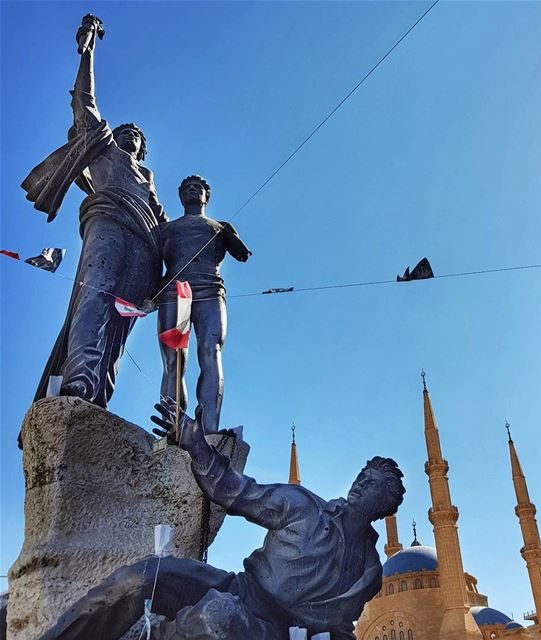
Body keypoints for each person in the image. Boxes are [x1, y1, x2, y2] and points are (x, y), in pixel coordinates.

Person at [39, 403, 405, 640]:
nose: (360, 484)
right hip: (240, 587)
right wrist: (197, 446)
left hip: (277, 631)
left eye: (371, 484)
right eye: (362, 475)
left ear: (383, 504)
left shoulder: (370, 571)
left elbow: (341, 628)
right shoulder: (303, 506)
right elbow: (235, 491)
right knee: (144, 578)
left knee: (218, 620)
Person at [22, 15, 168, 409]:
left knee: (121, 324)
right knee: (95, 300)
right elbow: (84, 102)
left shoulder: (149, 179)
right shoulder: (103, 148)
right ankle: (79, 383)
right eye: (126, 132)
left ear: (144, 149)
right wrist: (88, 51)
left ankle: (99, 395)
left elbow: (166, 225)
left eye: (137, 136)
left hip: (146, 246)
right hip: (107, 225)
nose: (130, 136)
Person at [157, 175, 251, 434]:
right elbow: (150, 263)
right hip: (175, 291)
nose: (193, 190)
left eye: (198, 188)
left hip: (210, 288)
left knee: (211, 350)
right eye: (187, 188)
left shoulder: (220, 227)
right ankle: (172, 427)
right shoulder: (166, 229)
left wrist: (230, 235)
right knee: (173, 360)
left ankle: (208, 430)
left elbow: (242, 254)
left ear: (206, 196)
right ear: (180, 195)